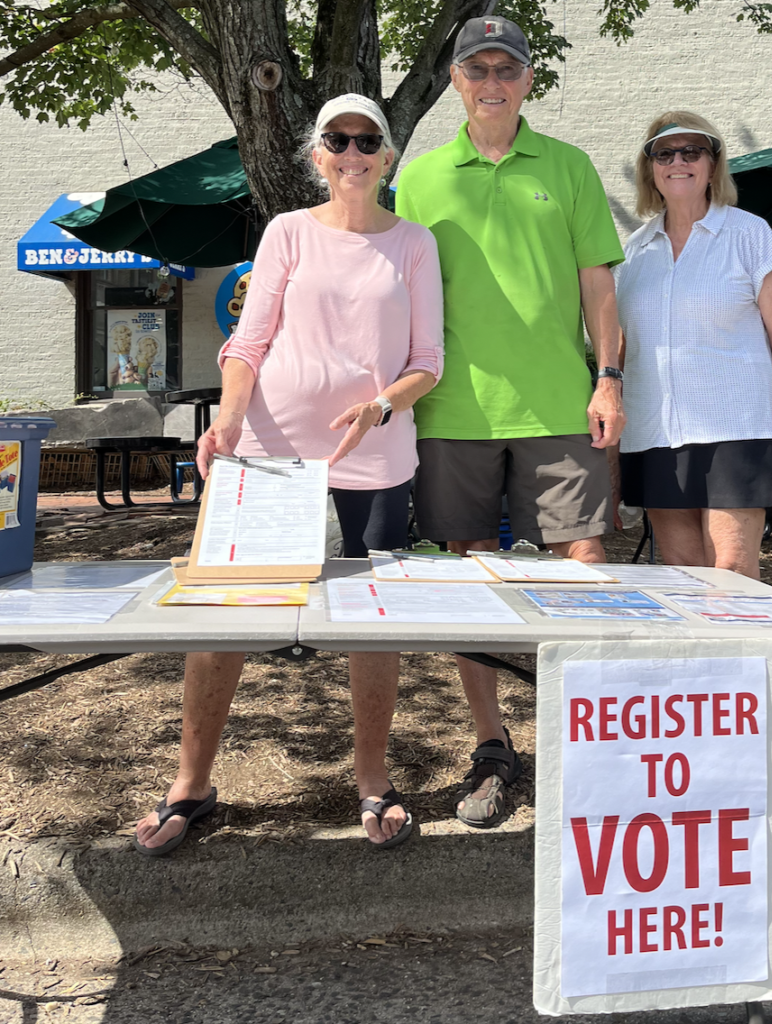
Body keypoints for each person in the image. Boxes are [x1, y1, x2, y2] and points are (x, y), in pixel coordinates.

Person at [133, 94, 444, 854]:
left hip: (375, 458)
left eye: (367, 140)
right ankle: (193, 784)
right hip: (268, 457)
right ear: (317, 155)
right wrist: (230, 419)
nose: (352, 151)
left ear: (387, 154)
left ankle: (371, 778)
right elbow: (247, 342)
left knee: (372, 629)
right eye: (337, 139)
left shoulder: (415, 243)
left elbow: (427, 363)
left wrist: (382, 404)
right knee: (224, 618)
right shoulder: (287, 232)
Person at [394, 16, 626, 828]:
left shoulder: (568, 167)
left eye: (507, 67)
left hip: (560, 403)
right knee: (467, 577)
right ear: (456, 80)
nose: (492, 79)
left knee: (586, 563)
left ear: (529, 79)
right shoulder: (419, 180)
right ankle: (493, 746)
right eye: (476, 67)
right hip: (452, 410)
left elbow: (600, 286)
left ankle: (586, 741)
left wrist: (608, 379)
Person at [615, 111, 772, 580]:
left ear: (713, 164)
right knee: (681, 573)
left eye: (692, 151)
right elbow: (620, 357)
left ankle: (742, 656)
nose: (678, 161)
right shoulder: (633, 252)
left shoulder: (749, 235)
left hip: (736, 430)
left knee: (732, 570)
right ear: (650, 168)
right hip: (655, 435)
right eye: (665, 152)